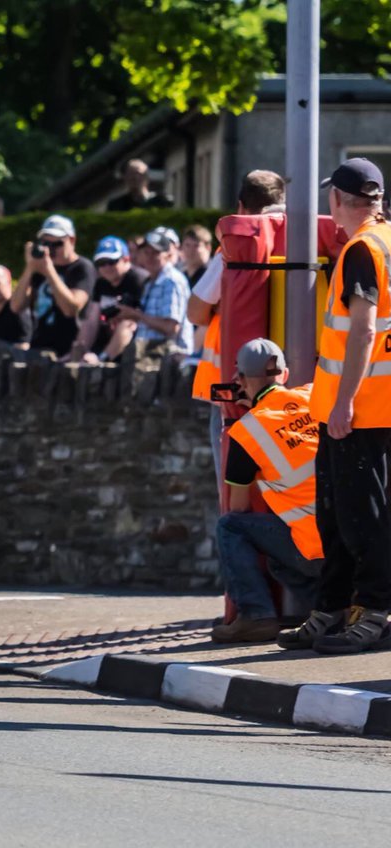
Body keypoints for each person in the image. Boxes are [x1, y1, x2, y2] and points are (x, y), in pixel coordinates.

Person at [280, 158, 391, 654]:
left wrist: (344, 402)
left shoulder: (362, 250)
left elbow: (364, 330)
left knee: (360, 520)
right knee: (337, 516)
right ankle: (331, 608)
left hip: (360, 410)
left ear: (337, 201)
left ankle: (376, 612)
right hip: (358, 408)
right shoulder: (385, 241)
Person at [211, 340, 324, 643]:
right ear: (285, 375)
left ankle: (255, 615)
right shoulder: (315, 394)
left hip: (315, 552)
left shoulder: (246, 431)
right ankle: (340, 606)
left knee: (230, 526)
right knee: (277, 560)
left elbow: (238, 508)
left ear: (240, 381)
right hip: (358, 545)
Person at [189, 170, 287, 496]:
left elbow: (195, 310)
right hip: (297, 384)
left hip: (238, 388)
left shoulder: (239, 243)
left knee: (235, 494)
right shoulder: (311, 236)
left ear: (241, 206)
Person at [12, 214, 95, 357]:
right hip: (38, 349)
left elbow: (71, 309)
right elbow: (16, 306)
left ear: (72, 240)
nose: (51, 250)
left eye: (57, 244)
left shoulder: (82, 267)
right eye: (46, 244)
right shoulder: (39, 268)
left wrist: (49, 271)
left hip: (69, 352)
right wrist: (30, 268)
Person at [69, 236, 147, 363]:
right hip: (106, 337)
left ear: (126, 259)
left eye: (111, 262)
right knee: (86, 326)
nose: (106, 267)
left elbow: (134, 320)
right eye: (101, 263)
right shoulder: (101, 283)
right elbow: (92, 320)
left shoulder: (138, 280)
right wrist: (80, 347)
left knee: (126, 324)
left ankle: (102, 360)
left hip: (135, 344)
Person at [117, 227, 193, 356]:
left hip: (170, 360)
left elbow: (171, 328)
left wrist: (137, 315)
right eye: (146, 252)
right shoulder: (151, 281)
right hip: (151, 357)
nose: (150, 257)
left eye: (155, 253)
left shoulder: (171, 280)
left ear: (168, 255)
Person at [106, 159, 173, 212]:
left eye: (138, 174)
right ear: (125, 178)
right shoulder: (116, 206)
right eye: (130, 174)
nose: (135, 178)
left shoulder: (160, 202)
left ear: (146, 177)